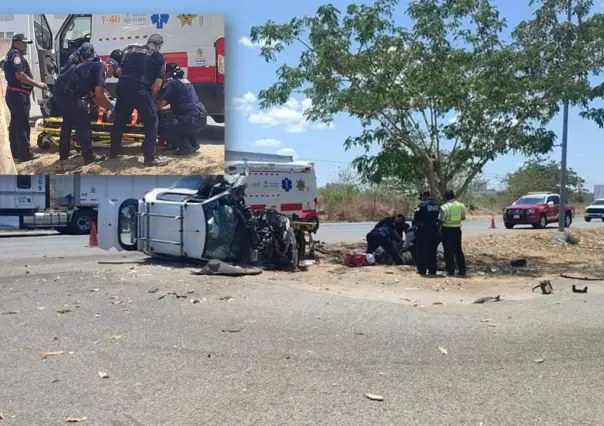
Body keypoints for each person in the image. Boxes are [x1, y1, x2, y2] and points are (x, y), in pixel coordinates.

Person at [109, 34, 168, 167]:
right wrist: (150, 99)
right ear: (159, 46)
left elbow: (118, 71)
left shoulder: (131, 50)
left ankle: (113, 152)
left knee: (120, 120)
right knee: (152, 120)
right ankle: (149, 157)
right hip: (140, 89)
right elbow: (158, 84)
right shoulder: (159, 57)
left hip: (123, 87)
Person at [52, 58, 117, 164]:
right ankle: (89, 156)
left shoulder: (93, 68)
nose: (109, 76)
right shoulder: (101, 68)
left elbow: (95, 97)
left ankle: (63, 155)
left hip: (59, 89)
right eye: (111, 73)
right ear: (109, 66)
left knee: (67, 123)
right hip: (69, 92)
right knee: (83, 122)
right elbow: (100, 95)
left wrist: (107, 106)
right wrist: (112, 108)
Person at [2, 34, 47, 162]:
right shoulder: (16, 56)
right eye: (24, 43)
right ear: (16, 43)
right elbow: (20, 75)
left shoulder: (10, 54)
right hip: (18, 95)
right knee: (22, 124)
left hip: (14, 94)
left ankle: (15, 152)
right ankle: (25, 154)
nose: (26, 46)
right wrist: (37, 84)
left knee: (16, 124)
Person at [156, 63, 208, 155]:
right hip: (200, 119)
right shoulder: (186, 81)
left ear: (167, 73)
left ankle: (185, 147)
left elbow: (160, 104)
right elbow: (179, 103)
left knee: (162, 127)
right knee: (180, 125)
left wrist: (152, 108)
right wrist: (162, 109)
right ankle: (194, 144)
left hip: (191, 119)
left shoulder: (171, 83)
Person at [413, 190, 441, 276]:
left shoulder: (422, 205)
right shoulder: (437, 205)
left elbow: (416, 219)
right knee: (432, 251)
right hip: (434, 230)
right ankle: (432, 270)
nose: (421, 200)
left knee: (421, 251)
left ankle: (422, 270)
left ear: (424, 196)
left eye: (421, 198)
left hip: (423, 231)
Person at [440, 189, 467, 277]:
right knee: (458, 250)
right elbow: (463, 217)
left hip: (447, 230)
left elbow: (441, 220)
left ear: (445, 197)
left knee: (448, 250)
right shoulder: (461, 206)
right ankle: (462, 270)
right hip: (457, 230)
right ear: (454, 196)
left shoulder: (444, 207)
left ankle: (450, 270)